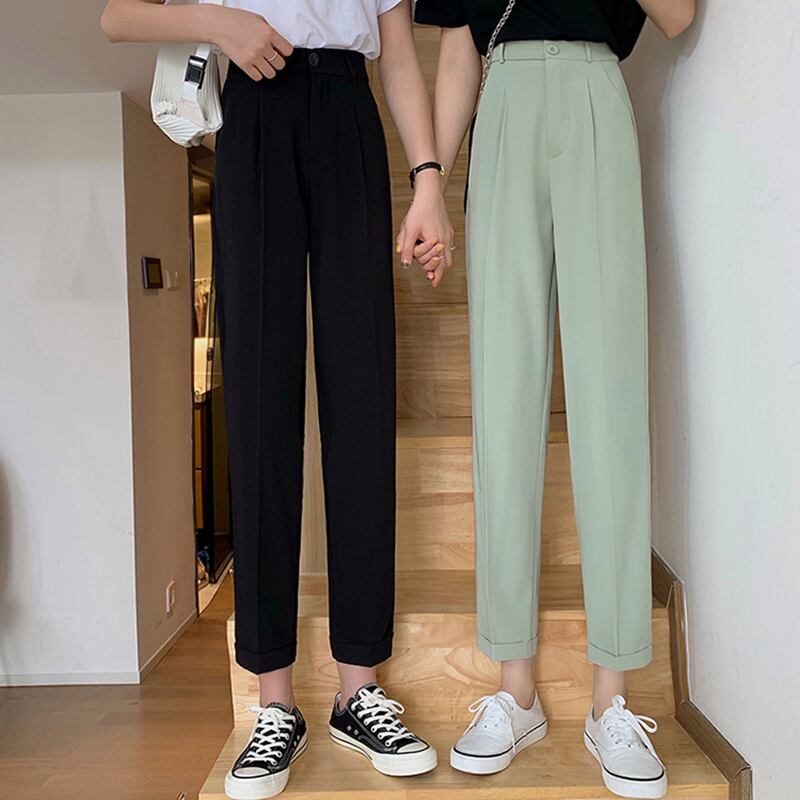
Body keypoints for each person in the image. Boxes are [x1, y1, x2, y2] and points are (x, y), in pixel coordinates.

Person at [101, 1, 454, 797]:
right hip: (256, 110)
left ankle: (358, 690)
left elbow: (399, 53)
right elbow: (116, 18)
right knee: (260, 410)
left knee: (362, 403)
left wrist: (427, 177)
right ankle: (274, 702)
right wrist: (221, 25)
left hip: (351, 111)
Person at [412, 1, 694, 797]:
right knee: (503, 398)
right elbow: (459, 48)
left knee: (611, 395)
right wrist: (433, 180)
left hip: (597, 93)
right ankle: (516, 689)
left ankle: (612, 699)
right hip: (502, 102)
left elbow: (678, 15)